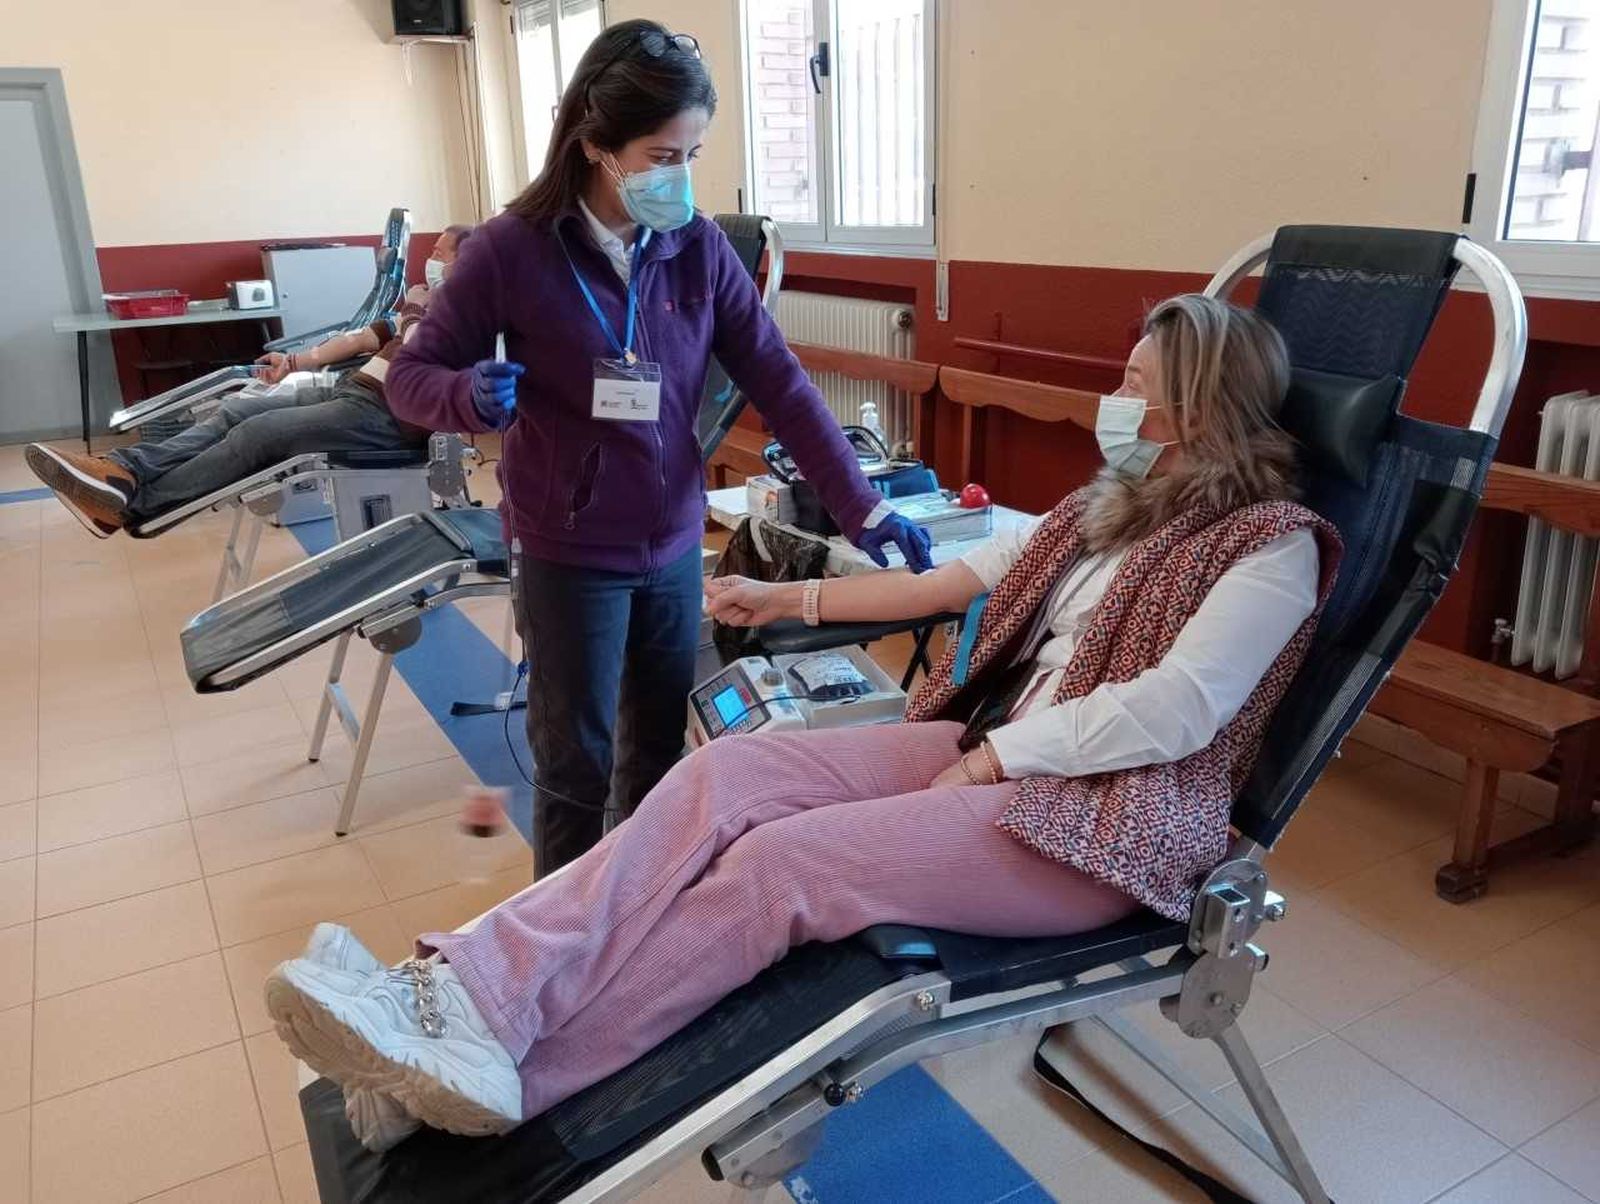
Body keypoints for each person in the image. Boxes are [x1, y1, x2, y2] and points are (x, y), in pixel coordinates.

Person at [265, 293, 1344, 1149]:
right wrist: (784, 599)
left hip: (1106, 822)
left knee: (785, 868)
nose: (1117, 399)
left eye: (1136, 384)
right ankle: (470, 992)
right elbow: (947, 583)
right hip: (1000, 753)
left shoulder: (1270, 546)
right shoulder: (1107, 505)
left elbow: (1177, 710)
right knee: (722, 778)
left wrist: (994, 763)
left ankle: (516, 1072)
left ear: (1198, 410)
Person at [384, 20, 934, 877]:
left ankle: (638, 923)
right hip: (571, 552)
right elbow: (407, 376)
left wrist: (862, 504)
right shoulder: (511, 251)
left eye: (693, 153)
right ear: (596, 145)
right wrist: (463, 395)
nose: (680, 176)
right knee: (575, 766)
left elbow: (782, 384)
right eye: (663, 154)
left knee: (656, 764)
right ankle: (557, 951)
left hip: (674, 545)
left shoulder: (696, 247)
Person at [24, 225, 475, 537]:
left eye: (439, 253)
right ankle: (123, 471)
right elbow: (363, 336)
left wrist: (419, 306)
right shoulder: (430, 302)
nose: (429, 260)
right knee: (238, 409)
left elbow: (421, 353)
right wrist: (298, 361)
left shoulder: (467, 312)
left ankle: (136, 504)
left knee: (260, 433)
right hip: (352, 392)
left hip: (388, 417)